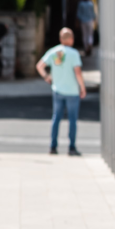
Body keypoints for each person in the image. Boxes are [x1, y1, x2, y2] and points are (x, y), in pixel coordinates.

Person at [36, 28, 87, 156]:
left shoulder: (53, 52)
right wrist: (82, 87)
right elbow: (78, 73)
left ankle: (53, 147)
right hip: (72, 91)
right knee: (72, 120)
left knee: (56, 118)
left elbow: (39, 66)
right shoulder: (74, 53)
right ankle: (72, 147)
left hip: (58, 90)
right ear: (71, 39)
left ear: (60, 39)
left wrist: (46, 77)